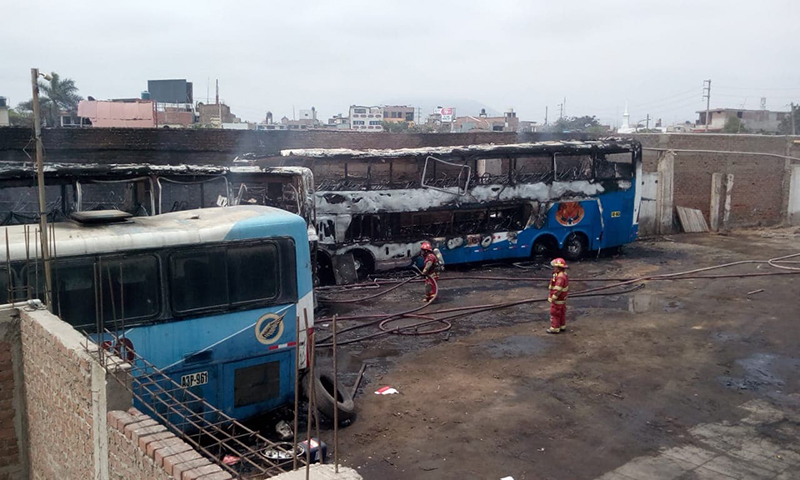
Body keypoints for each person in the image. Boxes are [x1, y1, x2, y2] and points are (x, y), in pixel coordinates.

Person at [546, 258, 569, 334]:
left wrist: (553, 297)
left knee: (555, 312)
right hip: (562, 298)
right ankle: (562, 326)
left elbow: (558, 289)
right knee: (561, 312)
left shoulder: (560, 277)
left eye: (555, 267)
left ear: (559, 268)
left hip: (558, 299)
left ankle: (555, 328)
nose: (554, 268)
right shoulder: (562, 275)